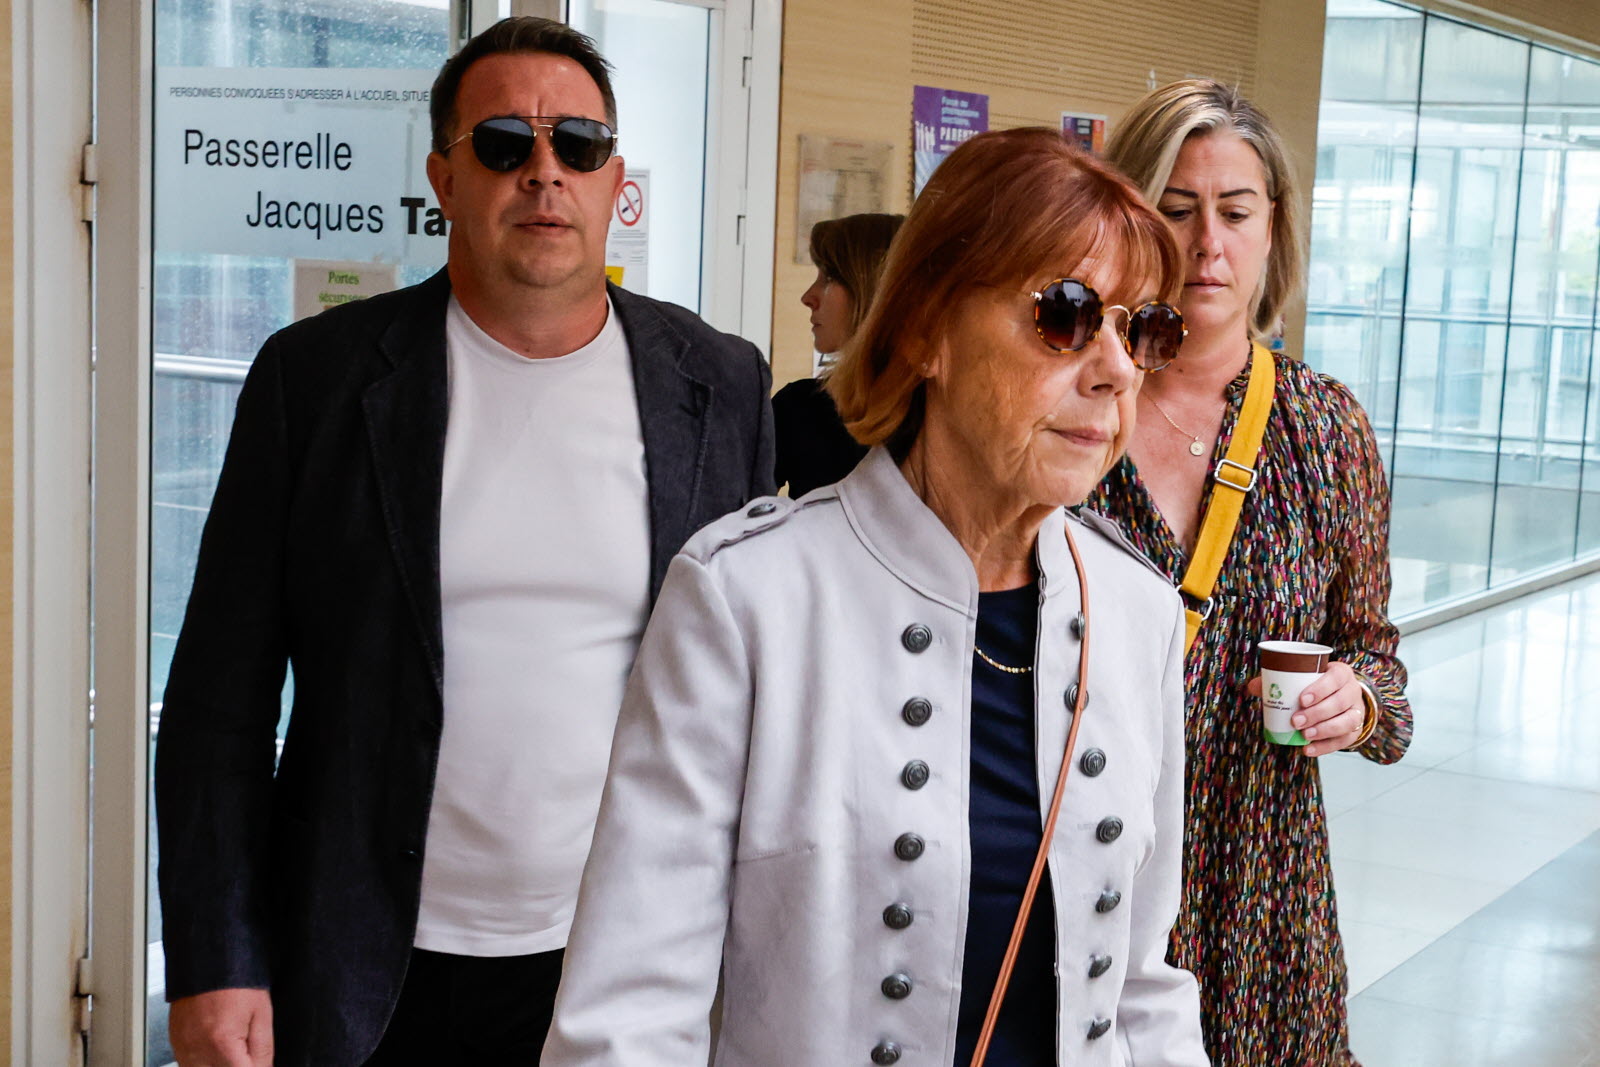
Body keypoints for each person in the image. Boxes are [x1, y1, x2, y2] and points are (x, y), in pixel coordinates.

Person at [154, 16, 773, 1067]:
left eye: (576, 145)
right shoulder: (318, 379)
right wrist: (216, 956)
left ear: (614, 179)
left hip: (623, 956)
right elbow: (221, 695)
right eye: (503, 145)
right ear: (444, 177)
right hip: (365, 959)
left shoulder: (718, 384)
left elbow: (752, 679)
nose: (544, 173)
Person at [542, 128, 1208, 1066]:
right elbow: (631, 1012)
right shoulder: (749, 599)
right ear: (925, 329)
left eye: (1144, 329)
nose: (1113, 368)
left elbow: (1140, 980)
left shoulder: (1138, 613)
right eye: (1065, 315)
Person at [1087, 79, 1412, 1066]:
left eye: (1235, 212)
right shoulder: (1072, 403)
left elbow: (1378, 658)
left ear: (1275, 233)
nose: (1206, 245)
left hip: (1262, 902)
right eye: (1175, 211)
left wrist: (1356, 701)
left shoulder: (1323, 428)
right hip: (1084, 877)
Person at [774, 212, 903, 497]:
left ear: (874, 287)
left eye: (829, 277)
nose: (808, 296)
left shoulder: (938, 421)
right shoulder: (798, 408)